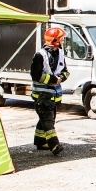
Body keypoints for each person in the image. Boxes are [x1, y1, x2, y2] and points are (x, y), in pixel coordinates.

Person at [30, 27, 70, 156]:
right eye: (61, 39)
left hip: (55, 95)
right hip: (42, 95)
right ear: (55, 41)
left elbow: (66, 71)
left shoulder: (60, 54)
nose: (63, 41)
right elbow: (36, 75)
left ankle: (40, 142)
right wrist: (52, 79)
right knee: (48, 121)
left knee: (47, 119)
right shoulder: (40, 55)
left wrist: (61, 78)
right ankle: (54, 145)